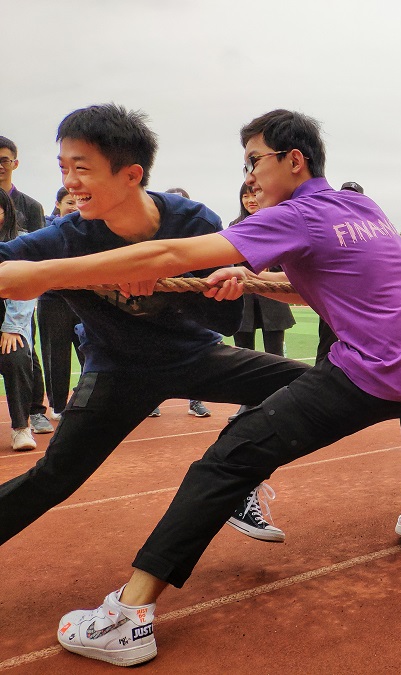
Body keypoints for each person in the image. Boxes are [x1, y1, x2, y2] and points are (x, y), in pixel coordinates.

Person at [0, 107, 401, 666]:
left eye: (255, 161)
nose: (250, 176)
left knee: (226, 461)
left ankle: (129, 616)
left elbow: (172, 257)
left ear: (294, 160)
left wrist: (46, 275)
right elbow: (313, 280)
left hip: (344, 371)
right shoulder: (359, 206)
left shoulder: (277, 215)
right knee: (60, 476)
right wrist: (252, 277)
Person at [0, 105, 303, 552]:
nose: (70, 182)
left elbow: (225, 321)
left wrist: (171, 285)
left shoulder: (194, 223)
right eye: (63, 168)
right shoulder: (65, 238)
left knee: (315, 387)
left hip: (196, 355)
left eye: (82, 168)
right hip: (116, 369)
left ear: (131, 174)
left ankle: (236, 481)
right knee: (54, 478)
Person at [228, 183, 296, 420]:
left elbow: (289, 259)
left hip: (273, 297)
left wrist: (269, 269)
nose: (250, 200)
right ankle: (246, 402)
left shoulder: (276, 223)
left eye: (254, 194)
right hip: (244, 298)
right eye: (245, 196)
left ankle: (278, 404)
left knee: (275, 355)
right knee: (244, 356)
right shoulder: (235, 226)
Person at [0, 136, 53, 434]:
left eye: (4, 160)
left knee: (24, 346)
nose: (0, 166)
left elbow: (40, 249)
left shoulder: (30, 206)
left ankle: (35, 410)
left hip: (20, 292)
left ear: (15, 163)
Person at [154, 187, 212, 419]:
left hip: (191, 303)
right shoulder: (154, 236)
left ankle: (195, 400)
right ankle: (151, 399)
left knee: (197, 351)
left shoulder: (198, 235)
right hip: (159, 305)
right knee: (155, 350)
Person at [38, 187, 84, 419]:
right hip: (53, 300)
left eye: (78, 202)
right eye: (69, 202)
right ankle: (58, 407)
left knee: (90, 351)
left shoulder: (88, 228)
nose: (74, 207)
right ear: (58, 204)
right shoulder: (47, 230)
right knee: (56, 355)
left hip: (84, 299)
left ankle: (87, 400)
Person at [0, 188, 37, 450]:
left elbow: (27, 288)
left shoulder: (20, 243)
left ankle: (21, 427)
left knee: (16, 356)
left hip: (9, 321)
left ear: (6, 212)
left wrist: (12, 328)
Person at [314, 180, 364, 365]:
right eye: (345, 195)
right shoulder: (328, 224)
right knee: (325, 346)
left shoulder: (367, 228)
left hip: (359, 301)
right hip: (333, 298)